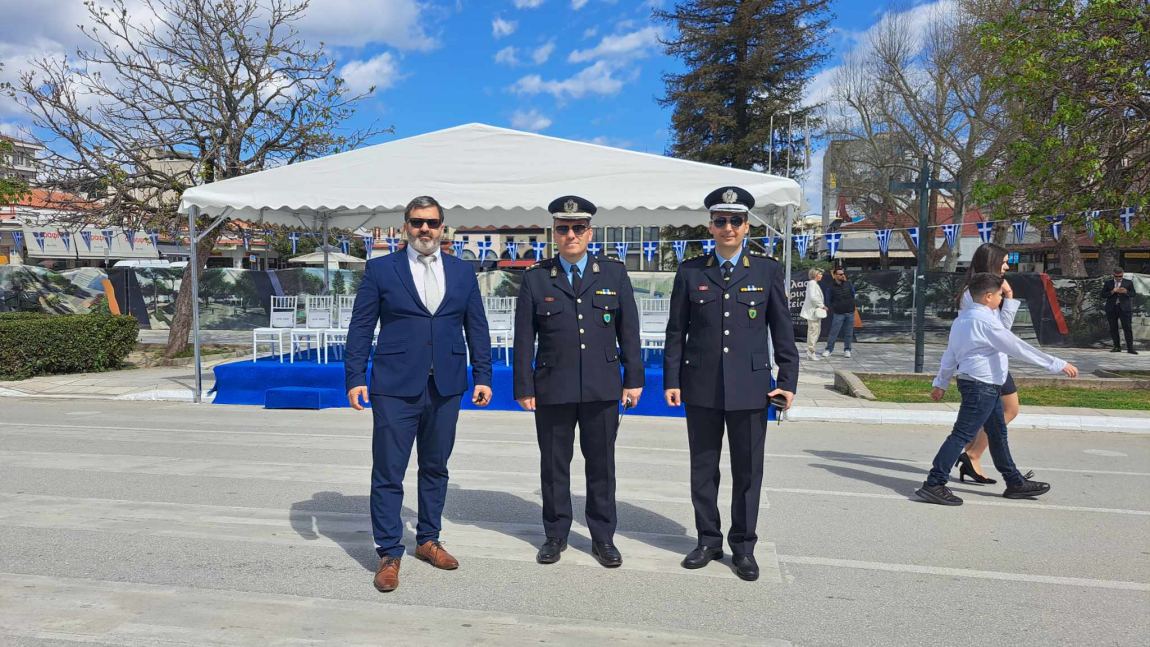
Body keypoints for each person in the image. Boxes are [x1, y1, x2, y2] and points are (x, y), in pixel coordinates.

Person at [344, 195, 493, 593]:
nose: (424, 229)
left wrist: (483, 375)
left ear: (443, 227)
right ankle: (389, 552)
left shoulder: (462, 271)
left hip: (446, 385)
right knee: (388, 470)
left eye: (431, 222)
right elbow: (361, 327)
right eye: (416, 222)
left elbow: (476, 326)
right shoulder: (381, 269)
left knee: (436, 466)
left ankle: (428, 539)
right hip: (394, 387)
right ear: (405, 226)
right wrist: (355, 377)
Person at [663, 186, 799, 581]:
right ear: (710, 226)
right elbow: (676, 331)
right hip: (701, 384)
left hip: (752, 387)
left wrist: (787, 380)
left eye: (735, 221)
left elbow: (782, 330)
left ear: (746, 226)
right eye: (721, 221)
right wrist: (672, 379)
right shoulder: (691, 271)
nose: (728, 227)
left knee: (748, 471)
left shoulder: (766, 270)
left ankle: (743, 547)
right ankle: (708, 540)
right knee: (703, 469)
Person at [513, 195, 643, 568]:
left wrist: (633, 378)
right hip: (553, 386)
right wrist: (524, 386)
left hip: (602, 386)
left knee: (601, 465)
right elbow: (524, 337)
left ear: (590, 233)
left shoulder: (613, 274)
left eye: (578, 228)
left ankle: (603, 537)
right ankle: (555, 535)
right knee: (554, 466)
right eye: (563, 228)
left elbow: (628, 331)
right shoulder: (537, 277)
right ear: (554, 233)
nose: (571, 234)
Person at [916, 273, 1078, 506]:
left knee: (997, 434)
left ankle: (1014, 482)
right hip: (981, 385)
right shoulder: (985, 322)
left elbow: (950, 354)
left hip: (982, 384)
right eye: (1000, 295)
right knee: (961, 435)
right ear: (988, 296)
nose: (1001, 299)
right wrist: (1057, 364)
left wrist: (941, 383)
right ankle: (934, 484)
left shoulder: (962, 320)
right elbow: (1017, 347)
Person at [955, 243, 1020, 484]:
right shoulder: (974, 294)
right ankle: (972, 455)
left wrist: (1008, 297)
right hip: (984, 363)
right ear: (991, 262)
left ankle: (972, 457)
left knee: (996, 413)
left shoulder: (988, 290)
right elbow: (1000, 331)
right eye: (1004, 262)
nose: (1007, 267)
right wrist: (1009, 298)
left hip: (993, 360)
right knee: (1008, 410)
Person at [821, 266, 856, 358]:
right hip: (838, 313)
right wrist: (835, 307)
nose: (842, 275)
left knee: (849, 333)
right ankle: (829, 349)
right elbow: (828, 300)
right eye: (840, 274)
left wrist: (851, 304)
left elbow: (853, 294)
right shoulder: (831, 287)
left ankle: (847, 350)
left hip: (850, 312)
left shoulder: (849, 284)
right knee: (834, 332)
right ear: (835, 275)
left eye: (843, 274)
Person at [1103, 267, 1138, 354]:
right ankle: (1116, 347)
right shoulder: (1108, 283)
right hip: (1112, 308)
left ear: (1123, 274)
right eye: (1116, 276)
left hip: (1125, 308)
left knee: (1127, 328)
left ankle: (1130, 348)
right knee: (1113, 328)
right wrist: (1112, 291)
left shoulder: (1128, 282)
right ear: (1113, 274)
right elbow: (1103, 295)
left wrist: (1126, 292)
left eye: (1120, 276)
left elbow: (1133, 294)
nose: (1118, 278)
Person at [800, 268, 827, 360]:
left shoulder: (814, 284)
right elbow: (813, 297)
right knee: (813, 332)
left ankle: (811, 352)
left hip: (815, 312)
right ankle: (811, 352)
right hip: (812, 313)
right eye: (820, 274)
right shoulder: (812, 283)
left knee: (815, 332)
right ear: (815, 275)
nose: (821, 276)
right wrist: (822, 306)